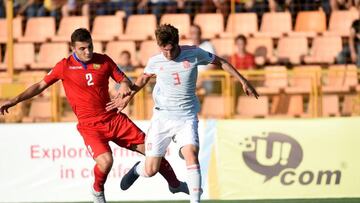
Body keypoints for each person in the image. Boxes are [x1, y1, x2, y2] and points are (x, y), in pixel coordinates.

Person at [0, 28, 188, 203]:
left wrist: (123, 86)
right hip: (90, 126)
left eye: (90, 46)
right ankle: (97, 190)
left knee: (153, 151)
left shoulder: (104, 60)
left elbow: (124, 79)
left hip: (114, 119)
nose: (88, 51)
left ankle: (175, 184)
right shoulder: (64, 66)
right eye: (82, 48)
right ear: (72, 48)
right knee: (106, 162)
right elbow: (40, 86)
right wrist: (15, 100)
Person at [106, 24, 259, 203]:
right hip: (162, 118)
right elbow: (143, 79)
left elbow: (221, 62)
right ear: (159, 45)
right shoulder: (156, 60)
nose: (169, 54)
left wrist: (243, 80)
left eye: (171, 49)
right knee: (151, 170)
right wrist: (129, 97)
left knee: (191, 153)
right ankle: (137, 169)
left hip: (186, 117)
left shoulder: (194, 53)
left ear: (177, 43)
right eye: (164, 50)